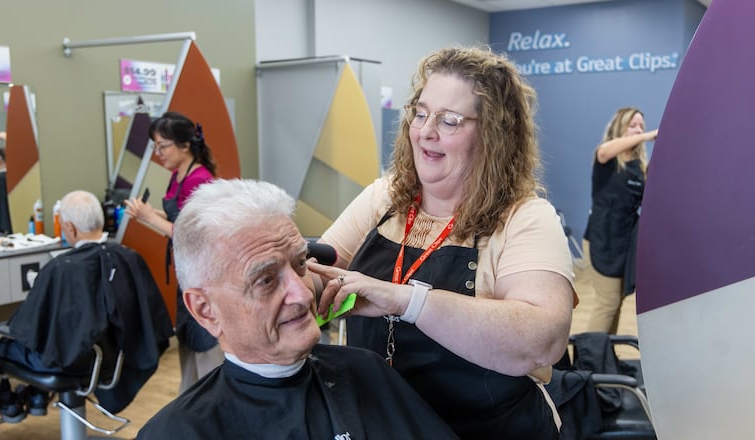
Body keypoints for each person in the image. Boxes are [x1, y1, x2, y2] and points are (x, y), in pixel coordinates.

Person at [307, 46, 576, 439]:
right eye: (420, 113)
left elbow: (542, 340)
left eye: (449, 121)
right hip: (387, 426)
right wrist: (289, 283)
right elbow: (323, 271)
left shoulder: (524, 219)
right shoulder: (383, 199)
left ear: (493, 135)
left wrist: (405, 301)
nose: (425, 131)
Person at [137, 178, 458, 439]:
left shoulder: (367, 372)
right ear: (206, 310)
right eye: (265, 280)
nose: (303, 295)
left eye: (300, 263)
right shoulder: (178, 432)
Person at [0, 190, 173, 422]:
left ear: (70, 227)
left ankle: (9, 405)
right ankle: (36, 396)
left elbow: (27, 329)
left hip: (66, 363)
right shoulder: (128, 257)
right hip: (108, 357)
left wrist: (40, 287)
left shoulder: (61, 268)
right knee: (50, 335)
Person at [123, 111, 222, 393]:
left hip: (202, 272)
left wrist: (148, 217)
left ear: (184, 145)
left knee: (205, 346)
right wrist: (147, 213)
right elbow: (176, 218)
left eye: (162, 146)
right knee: (189, 343)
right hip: (186, 272)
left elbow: (193, 234)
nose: (158, 153)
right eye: (155, 146)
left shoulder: (199, 180)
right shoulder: (177, 177)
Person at [583, 107, 656, 334]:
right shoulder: (607, 157)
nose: (638, 129)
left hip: (623, 244)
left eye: (641, 126)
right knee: (607, 303)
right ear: (619, 127)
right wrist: (648, 136)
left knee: (616, 303)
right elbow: (604, 151)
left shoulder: (639, 169)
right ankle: (591, 359)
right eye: (632, 125)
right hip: (601, 241)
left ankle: (606, 356)